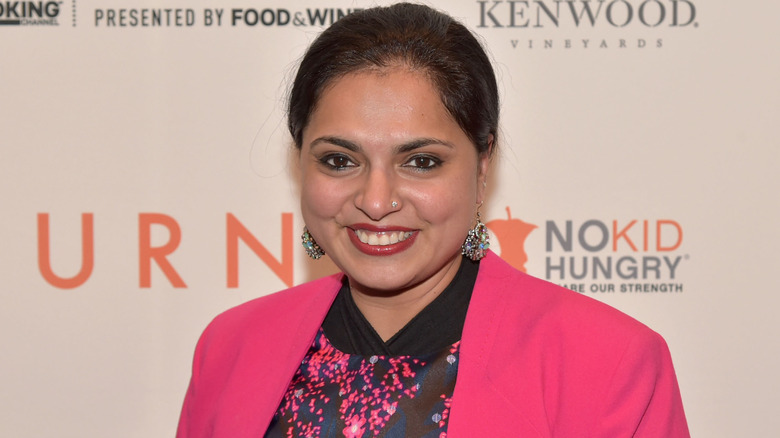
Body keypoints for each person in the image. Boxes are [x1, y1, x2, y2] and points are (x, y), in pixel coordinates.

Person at [177, 3, 689, 437]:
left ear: (482, 167)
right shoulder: (230, 348)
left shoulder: (608, 362)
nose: (376, 201)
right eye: (339, 160)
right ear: (301, 163)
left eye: (421, 161)